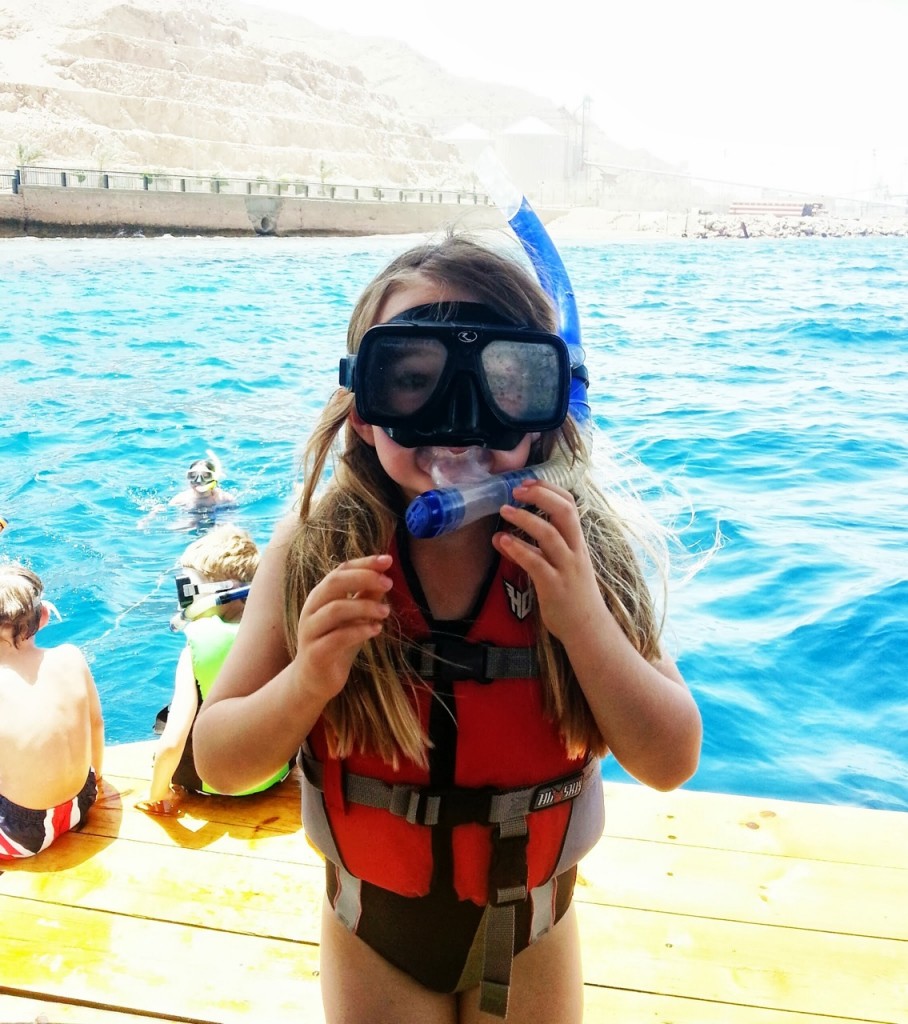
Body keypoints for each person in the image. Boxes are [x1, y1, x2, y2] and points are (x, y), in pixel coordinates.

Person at [193, 233, 702, 1024]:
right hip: (375, 933)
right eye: (412, 382)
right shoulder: (314, 548)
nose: (458, 424)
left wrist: (584, 624)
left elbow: (671, 759)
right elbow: (220, 762)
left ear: (546, 409)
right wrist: (308, 682)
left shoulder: (578, 551)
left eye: (503, 381)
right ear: (363, 411)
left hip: (531, 932)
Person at [137, 525, 290, 815]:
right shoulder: (276, 635)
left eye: (186, 589)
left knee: (168, 719)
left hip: (211, 781)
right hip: (274, 773)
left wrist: (157, 794)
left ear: (223, 591)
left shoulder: (194, 650)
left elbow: (172, 743)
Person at [0, 562, 105, 859]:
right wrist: (97, 781)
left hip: (19, 834)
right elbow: (96, 724)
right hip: (82, 802)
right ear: (43, 616)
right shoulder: (71, 656)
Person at [169, 452, 236, 512]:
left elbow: (231, 517)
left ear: (214, 478)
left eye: (206, 476)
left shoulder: (224, 499)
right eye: (193, 476)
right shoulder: (180, 500)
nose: (199, 481)